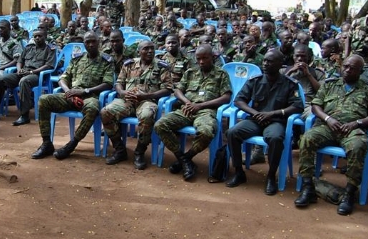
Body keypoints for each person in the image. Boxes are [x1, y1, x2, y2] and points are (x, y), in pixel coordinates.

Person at [294, 55, 368, 214]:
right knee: (307, 139)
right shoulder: (330, 84)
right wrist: (328, 119)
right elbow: (316, 106)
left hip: (352, 129)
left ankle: (349, 193)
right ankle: (308, 188)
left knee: (358, 146)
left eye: (352, 68)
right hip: (328, 126)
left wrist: (357, 123)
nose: (347, 70)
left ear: (360, 71)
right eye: (346, 66)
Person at [226, 50, 304, 194]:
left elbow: (298, 106)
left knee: (275, 138)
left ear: (280, 64)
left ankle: (270, 177)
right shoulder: (255, 80)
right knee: (232, 132)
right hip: (256, 120)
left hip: (276, 122)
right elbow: (238, 100)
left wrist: (273, 113)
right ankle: (238, 172)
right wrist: (255, 113)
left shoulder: (289, 84)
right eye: (265, 61)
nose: (265, 64)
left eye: (270, 61)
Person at [31, 31, 114, 160]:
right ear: (84, 44)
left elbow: (108, 84)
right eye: (87, 42)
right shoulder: (77, 59)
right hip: (71, 95)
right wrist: (67, 91)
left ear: (99, 42)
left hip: (90, 97)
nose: (91, 45)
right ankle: (46, 143)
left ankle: (72, 144)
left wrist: (85, 91)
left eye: (93, 42)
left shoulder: (106, 61)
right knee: (44, 100)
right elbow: (63, 78)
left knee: (92, 108)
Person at [154, 45, 232, 181]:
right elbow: (177, 90)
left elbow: (226, 97)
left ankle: (186, 158)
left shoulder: (221, 74)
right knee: (160, 125)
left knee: (206, 132)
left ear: (212, 57)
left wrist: (199, 105)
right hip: (186, 109)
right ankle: (183, 159)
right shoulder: (190, 72)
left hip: (206, 111)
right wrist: (187, 102)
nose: (201, 62)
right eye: (198, 59)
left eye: (205, 58)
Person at [102, 41, 172, 169]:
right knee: (106, 112)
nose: (150, 51)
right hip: (127, 100)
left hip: (147, 101)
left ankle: (139, 152)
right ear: (139, 52)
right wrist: (123, 92)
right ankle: (119, 150)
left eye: (152, 49)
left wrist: (146, 96)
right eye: (146, 49)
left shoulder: (161, 66)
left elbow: (167, 89)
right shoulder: (129, 64)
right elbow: (118, 83)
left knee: (147, 115)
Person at [0, 29, 56, 126]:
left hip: (37, 75)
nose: (37, 38)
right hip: (23, 72)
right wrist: (19, 69)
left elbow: (48, 65)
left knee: (24, 81)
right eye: (35, 36)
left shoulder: (50, 49)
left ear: (45, 37)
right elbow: (19, 61)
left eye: (40, 36)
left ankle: (24, 116)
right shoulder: (28, 48)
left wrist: (32, 71)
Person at [283, 43, 325, 119]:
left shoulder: (317, 73)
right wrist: (290, 72)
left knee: (317, 116)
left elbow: (321, 91)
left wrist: (309, 75)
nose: (300, 59)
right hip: (288, 104)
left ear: (308, 57)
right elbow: (278, 86)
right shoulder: (284, 70)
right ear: (293, 56)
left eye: (303, 56)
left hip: (307, 105)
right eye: (297, 56)